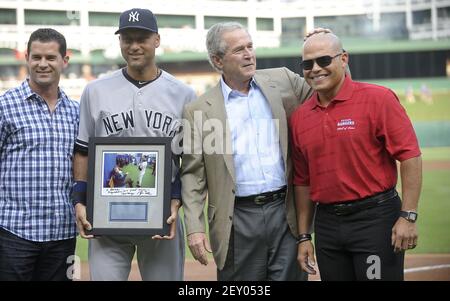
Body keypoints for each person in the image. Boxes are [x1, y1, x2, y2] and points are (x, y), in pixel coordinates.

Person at [181, 22, 313, 281]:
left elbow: (331, 89)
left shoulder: (283, 80)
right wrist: (194, 229)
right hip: (236, 220)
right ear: (218, 60)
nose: (248, 54)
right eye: (239, 49)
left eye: (250, 46)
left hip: (285, 213)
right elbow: (192, 176)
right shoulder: (198, 110)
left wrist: (324, 46)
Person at [71, 8, 196, 281]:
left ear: (157, 40)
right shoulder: (96, 91)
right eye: (127, 38)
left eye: (142, 38)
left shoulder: (184, 94)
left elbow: (189, 160)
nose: (134, 45)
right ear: (120, 42)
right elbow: (82, 150)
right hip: (106, 218)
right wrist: (80, 200)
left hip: (162, 217)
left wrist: (175, 201)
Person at [290, 32, 422, 281]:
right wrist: (304, 236)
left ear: (343, 59)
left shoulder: (378, 99)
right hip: (327, 225)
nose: (315, 69)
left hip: (375, 221)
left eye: (324, 60)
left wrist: (408, 215)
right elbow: (302, 181)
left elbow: (410, 156)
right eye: (307, 64)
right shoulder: (299, 117)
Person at [0, 28, 79, 281]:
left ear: (64, 61)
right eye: (36, 57)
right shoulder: (5, 106)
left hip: (63, 234)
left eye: (50, 57)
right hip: (14, 233)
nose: (42, 64)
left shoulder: (77, 112)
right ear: (27, 58)